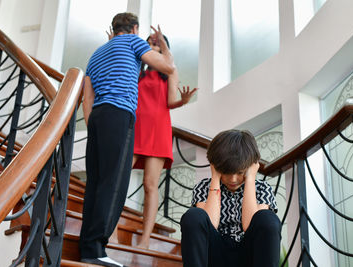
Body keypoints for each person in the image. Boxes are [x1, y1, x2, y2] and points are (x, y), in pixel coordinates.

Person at [80, 12, 175, 267]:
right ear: (134, 29)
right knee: (114, 183)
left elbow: (86, 98)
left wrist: (93, 126)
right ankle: (96, 247)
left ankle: (88, 247)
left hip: (98, 118)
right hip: (119, 115)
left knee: (96, 182)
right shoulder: (133, 42)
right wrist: (164, 47)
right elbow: (168, 67)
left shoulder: (96, 54)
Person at [131, 34, 197, 249]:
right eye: (149, 42)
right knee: (118, 180)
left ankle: (145, 240)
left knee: (150, 185)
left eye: (156, 42)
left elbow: (171, 102)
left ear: (164, 48)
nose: (152, 44)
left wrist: (184, 100)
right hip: (135, 130)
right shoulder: (135, 69)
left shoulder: (169, 71)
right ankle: (111, 231)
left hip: (158, 131)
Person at [180, 129, 281, 267]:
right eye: (226, 172)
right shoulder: (203, 188)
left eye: (239, 172)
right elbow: (211, 224)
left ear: (250, 166)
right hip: (215, 256)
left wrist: (250, 179)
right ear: (216, 166)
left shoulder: (262, 189)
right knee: (194, 216)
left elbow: (249, 225)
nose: (233, 179)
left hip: (249, 257)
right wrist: (215, 178)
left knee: (267, 218)